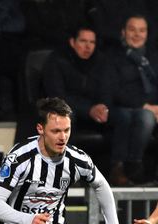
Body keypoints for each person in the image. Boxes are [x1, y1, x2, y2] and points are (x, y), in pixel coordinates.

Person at [41, 25, 128, 183]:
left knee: (122, 117)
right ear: (72, 42)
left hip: (95, 111)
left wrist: (103, 107)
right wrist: (88, 110)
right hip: (70, 111)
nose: (88, 46)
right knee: (65, 120)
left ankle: (117, 168)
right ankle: (66, 171)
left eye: (92, 42)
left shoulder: (101, 60)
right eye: (83, 41)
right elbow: (58, 96)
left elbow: (108, 88)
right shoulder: (56, 60)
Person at [108, 14, 158, 184]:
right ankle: (133, 166)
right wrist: (145, 106)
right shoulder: (113, 57)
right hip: (127, 111)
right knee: (146, 116)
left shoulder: (153, 56)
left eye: (142, 30)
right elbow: (114, 91)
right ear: (123, 32)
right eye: (132, 30)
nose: (137, 34)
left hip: (156, 113)